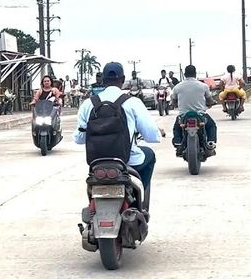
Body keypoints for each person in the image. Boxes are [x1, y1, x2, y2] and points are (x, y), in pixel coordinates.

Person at [74, 62, 161, 210]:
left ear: (102, 80)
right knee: (149, 155)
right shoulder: (132, 102)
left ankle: (93, 206)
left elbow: (79, 138)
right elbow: (152, 136)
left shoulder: (88, 104)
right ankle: (139, 203)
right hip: (128, 161)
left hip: (96, 163)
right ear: (123, 79)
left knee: (92, 182)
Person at [170, 64, 217, 153]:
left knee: (177, 128)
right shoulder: (203, 86)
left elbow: (174, 101)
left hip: (183, 116)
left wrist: (175, 105)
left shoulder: (177, 87)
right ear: (195, 74)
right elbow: (209, 100)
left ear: (184, 74)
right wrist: (211, 103)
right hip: (201, 115)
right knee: (211, 126)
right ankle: (211, 142)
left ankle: (178, 143)